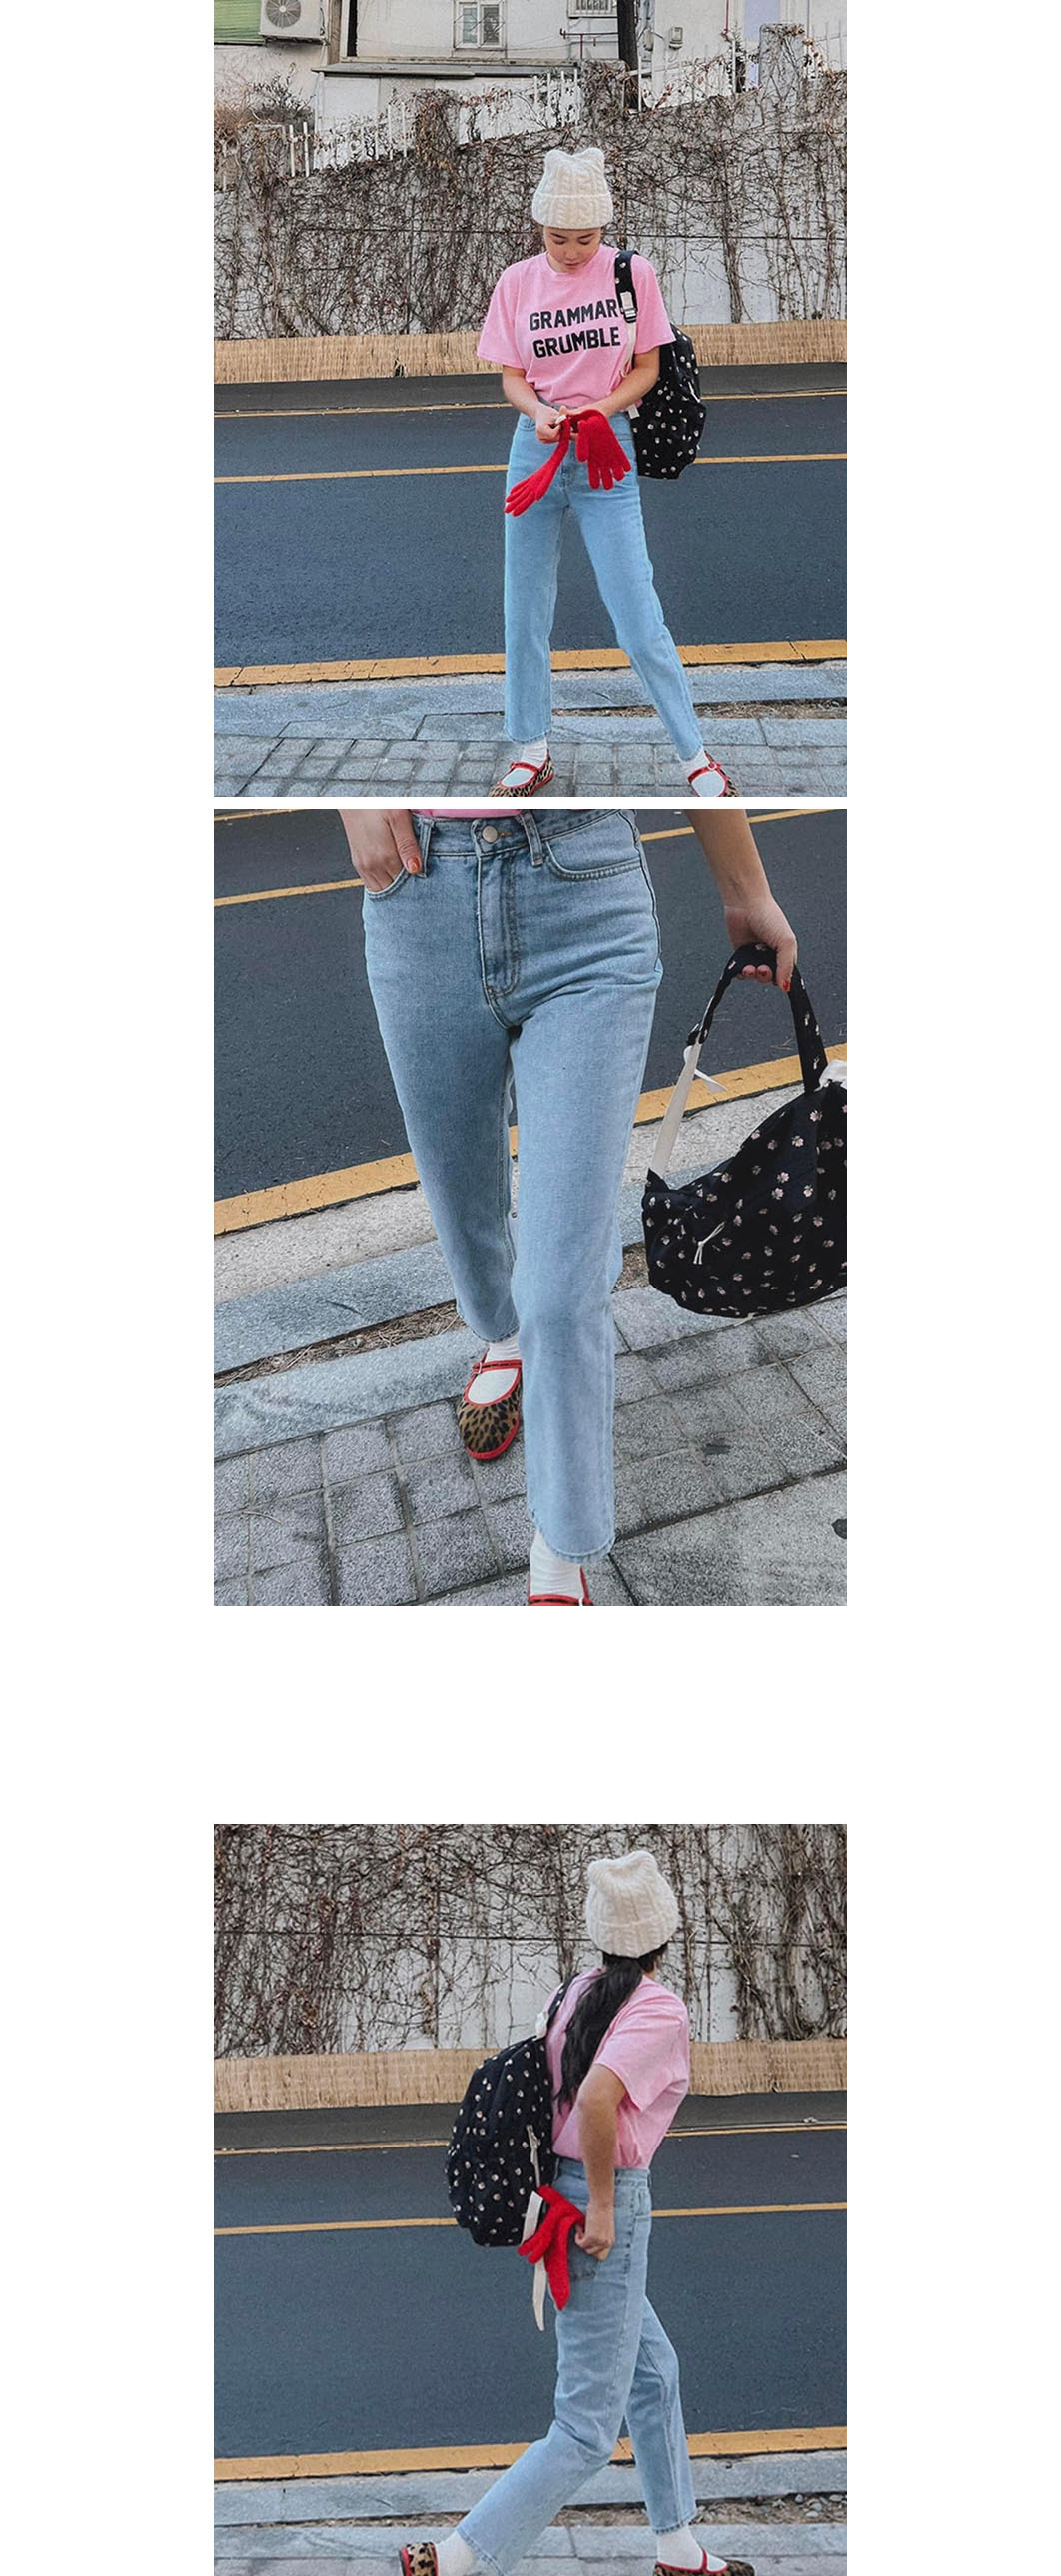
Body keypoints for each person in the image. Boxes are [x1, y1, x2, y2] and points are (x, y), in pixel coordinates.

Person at [343, 801, 796, 1601]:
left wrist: (746, 888)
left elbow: (676, 725)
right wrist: (351, 803)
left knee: (560, 1285)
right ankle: (501, 1336)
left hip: (584, 891)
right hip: (418, 893)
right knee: (460, 1195)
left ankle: (561, 1542)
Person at [400, 1846, 754, 2576]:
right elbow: (596, 2101)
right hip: (604, 2200)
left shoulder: (577, 1991)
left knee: (654, 2376)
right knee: (587, 2429)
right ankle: (447, 2562)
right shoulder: (657, 2009)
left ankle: (679, 2552)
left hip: (562, 2190)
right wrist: (603, 2207)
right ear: (663, 1931)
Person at [478, 147, 731, 803]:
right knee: (523, 610)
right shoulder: (516, 282)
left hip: (605, 446)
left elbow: (649, 367)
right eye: (557, 237)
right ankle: (531, 749)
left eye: (584, 238)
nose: (570, 251)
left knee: (637, 614)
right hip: (535, 449)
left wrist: (600, 407)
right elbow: (511, 376)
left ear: (603, 228)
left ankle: (693, 752)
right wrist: (538, 410)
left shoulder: (631, 273)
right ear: (540, 226)